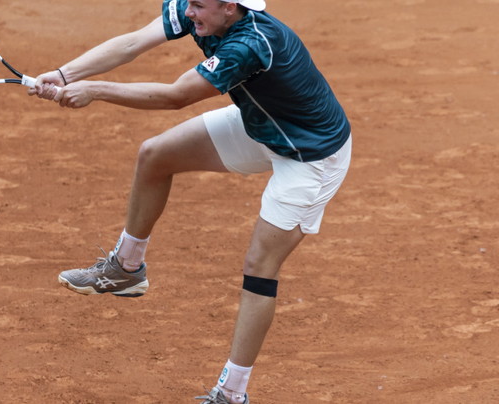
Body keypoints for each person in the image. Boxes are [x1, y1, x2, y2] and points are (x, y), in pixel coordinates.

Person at [29, 0, 352, 402]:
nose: (189, 12)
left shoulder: (251, 44)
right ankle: (127, 269)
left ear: (230, 7)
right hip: (263, 125)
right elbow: (132, 42)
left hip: (309, 156)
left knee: (259, 267)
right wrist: (65, 74)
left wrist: (95, 90)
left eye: (199, 5)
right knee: (155, 155)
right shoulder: (203, 12)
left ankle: (231, 393)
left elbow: (176, 96)